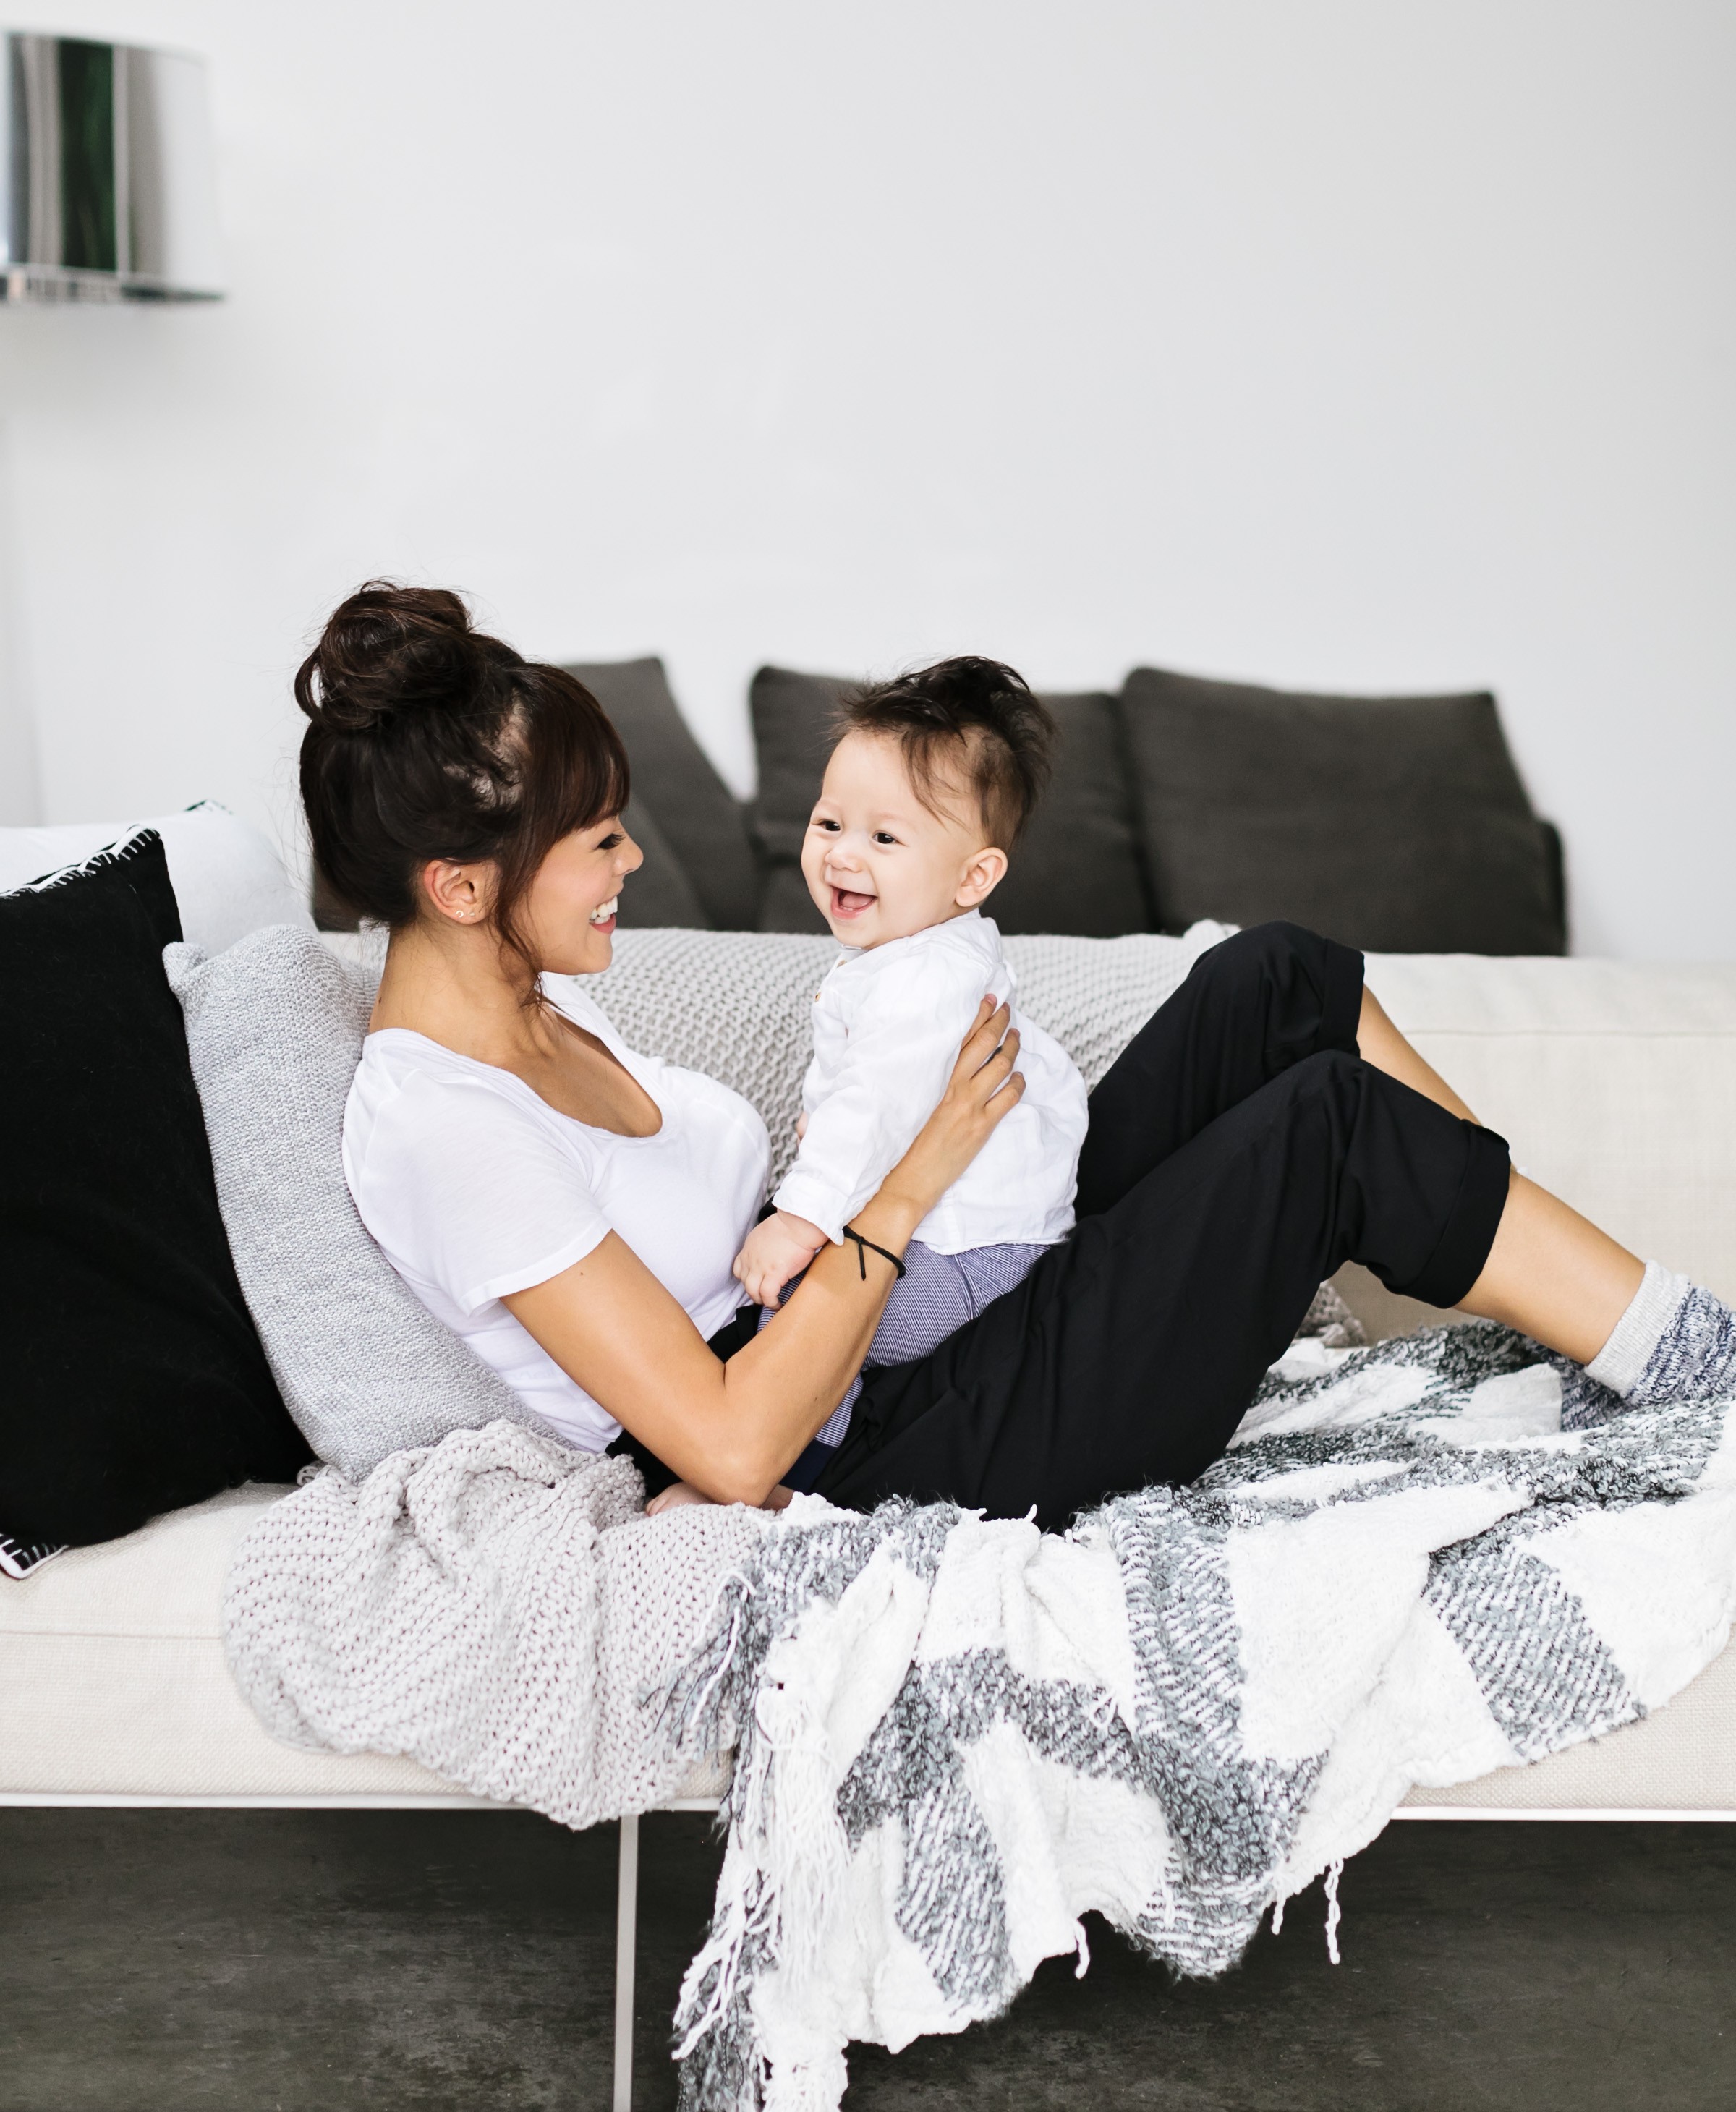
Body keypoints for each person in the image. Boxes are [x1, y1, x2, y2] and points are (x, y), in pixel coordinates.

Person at [302, 582, 1736, 1536]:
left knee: (1278, 977)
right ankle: (1692, 1360)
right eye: (600, 839)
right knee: (1327, 1126)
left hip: (928, 1313)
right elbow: (731, 1447)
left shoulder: (546, 1007)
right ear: (463, 886)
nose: (630, 864)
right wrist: (914, 1177)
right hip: (883, 1439)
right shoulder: (450, 1126)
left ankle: (1536, 1293)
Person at [726, 658, 1089, 1482]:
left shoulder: (926, 976)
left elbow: (877, 1104)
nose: (843, 855)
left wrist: (802, 1219)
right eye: (829, 823)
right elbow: (885, 1097)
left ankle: (798, 1477)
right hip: (963, 1239)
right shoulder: (915, 956)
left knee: (799, 1323)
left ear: (973, 877)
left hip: (969, 1255)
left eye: (885, 838)